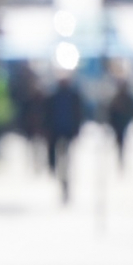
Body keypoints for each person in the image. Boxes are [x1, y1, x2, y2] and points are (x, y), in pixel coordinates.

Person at [43, 75, 84, 203]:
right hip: (57, 132)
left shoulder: (73, 96)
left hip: (67, 132)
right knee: (58, 159)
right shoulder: (53, 97)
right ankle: (57, 174)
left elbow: (79, 114)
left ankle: (65, 182)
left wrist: (76, 130)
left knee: (65, 160)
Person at [107, 79, 133, 170]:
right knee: (121, 143)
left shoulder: (118, 99)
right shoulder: (120, 99)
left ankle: (121, 161)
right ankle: (121, 162)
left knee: (121, 143)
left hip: (122, 125)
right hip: (120, 125)